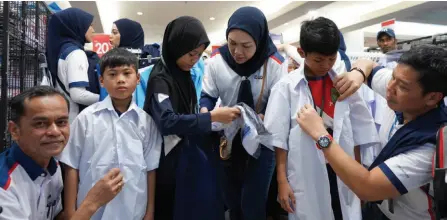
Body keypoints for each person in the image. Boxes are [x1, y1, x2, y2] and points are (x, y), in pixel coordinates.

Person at [297, 44, 447, 220]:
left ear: (432, 98)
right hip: (380, 210)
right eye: (392, 77)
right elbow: (367, 63)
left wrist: (321, 135)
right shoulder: (402, 93)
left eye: (403, 87)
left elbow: (367, 187)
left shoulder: (429, 146)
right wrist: (357, 73)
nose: (390, 88)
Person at [264, 17, 380, 220]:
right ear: (302, 53)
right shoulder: (286, 87)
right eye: (318, 60)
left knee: (342, 211)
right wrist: (282, 182)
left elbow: (358, 132)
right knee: (311, 211)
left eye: (332, 59)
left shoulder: (344, 83)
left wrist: (359, 173)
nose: (325, 65)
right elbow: (278, 140)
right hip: (306, 170)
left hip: (342, 166)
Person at [143, 16, 238, 220]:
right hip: (165, 161)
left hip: (183, 158)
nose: (194, 60)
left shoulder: (183, 73)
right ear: (177, 47)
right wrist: (211, 117)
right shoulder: (161, 78)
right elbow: (167, 121)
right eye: (190, 54)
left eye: (198, 55)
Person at [200, 6, 287, 220]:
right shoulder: (216, 62)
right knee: (232, 198)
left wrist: (267, 116)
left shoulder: (274, 64)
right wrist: (206, 112)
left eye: (246, 46)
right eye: (232, 44)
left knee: (253, 201)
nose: (238, 52)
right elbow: (208, 95)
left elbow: (281, 103)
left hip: (263, 139)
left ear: (259, 40)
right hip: (227, 138)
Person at [60, 48, 162, 220]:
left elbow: (151, 169)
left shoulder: (146, 122)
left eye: (126, 73)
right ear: (101, 80)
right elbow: (71, 166)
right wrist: (71, 212)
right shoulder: (86, 118)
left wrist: (149, 212)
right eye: (112, 74)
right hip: (92, 212)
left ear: (137, 79)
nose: (120, 80)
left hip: (133, 209)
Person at [0, 86, 124, 220]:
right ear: (14, 131)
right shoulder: (5, 185)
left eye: (61, 122)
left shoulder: (53, 166)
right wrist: (92, 203)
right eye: (40, 123)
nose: (55, 132)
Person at [46, 8, 99, 123]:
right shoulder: (76, 54)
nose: (93, 30)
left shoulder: (61, 51)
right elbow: (78, 95)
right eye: (90, 25)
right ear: (77, 26)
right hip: (75, 119)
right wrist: (108, 99)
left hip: (64, 114)